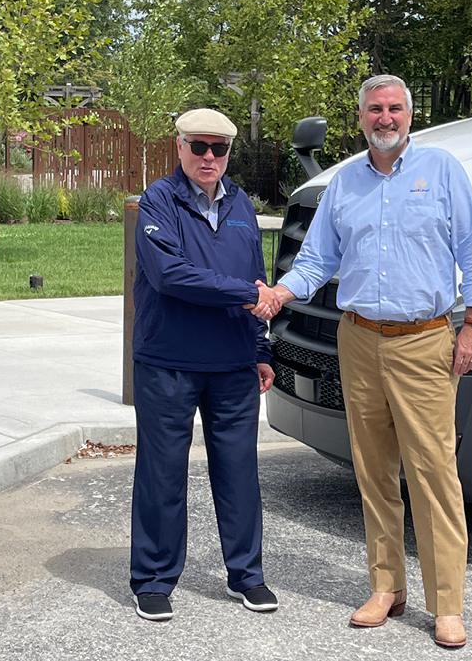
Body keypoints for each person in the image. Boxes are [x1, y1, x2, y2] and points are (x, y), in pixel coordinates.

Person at [267, 75, 472, 648]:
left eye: (394, 108)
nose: (385, 117)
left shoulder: (442, 171)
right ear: (361, 117)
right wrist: (278, 294)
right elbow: (317, 259)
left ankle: (447, 604)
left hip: (425, 342)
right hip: (359, 339)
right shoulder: (345, 182)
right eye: (374, 109)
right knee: (372, 471)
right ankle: (386, 587)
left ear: (408, 115)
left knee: (434, 473)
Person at [129, 107, 282, 622]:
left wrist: (260, 350)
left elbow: (258, 277)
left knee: (239, 474)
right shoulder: (158, 200)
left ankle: (247, 576)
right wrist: (243, 295)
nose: (209, 157)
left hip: (234, 365)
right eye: (199, 146)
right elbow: (170, 275)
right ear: (179, 147)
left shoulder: (241, 204)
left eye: (219, 148)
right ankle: (153, 579)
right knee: (162, 474)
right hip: (168, 362)